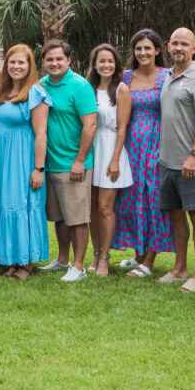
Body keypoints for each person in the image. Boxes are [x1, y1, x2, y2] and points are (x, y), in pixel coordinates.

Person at [158, 27, 195, 293]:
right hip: (167, 162)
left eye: (184, 44)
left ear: (194, 48)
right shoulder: (168, 76)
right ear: (168, 46)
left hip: (190, 164)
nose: (178, 48)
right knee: (176, 217)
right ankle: (180, 268)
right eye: (175, 43)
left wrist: (193, 156)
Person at [115, 29, 174, 278]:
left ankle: (149, 260)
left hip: (157, 144)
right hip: (131, 146)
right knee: (131, 200)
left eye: (147, 48)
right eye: (138, 48)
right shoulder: (126, 77)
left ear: (157, 50)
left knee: (153, 200)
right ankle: (138, 254)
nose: (142, 52)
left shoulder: (167, 76)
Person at [0, 44, 51, 280]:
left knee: (23, 204)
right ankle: (12, 259)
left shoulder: (35, 93)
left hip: (24, 158)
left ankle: (26, 262)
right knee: (6, 203)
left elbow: (41, 134)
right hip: (3, 159)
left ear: (30, 66)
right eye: (12, 62)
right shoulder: (3, 91)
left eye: (21, 62)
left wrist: (38, 169)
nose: (16, 66)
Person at [38, 40, 98, 283]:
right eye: (49, 59)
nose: (54, 63)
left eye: (59, 59)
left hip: (73, 164)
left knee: (77, 218)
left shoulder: (80, 86)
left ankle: (79, 266)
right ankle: (62, 260)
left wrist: (80, 160)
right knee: (60, 217)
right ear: (44, 62)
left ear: (69, 60)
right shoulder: (42, 86)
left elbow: (90, 125)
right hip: (50, 163)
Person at [86, 43, 132, 277]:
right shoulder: (88, 89)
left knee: (105, 207)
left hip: (111, 148)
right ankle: (95, 253)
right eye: (101, 61)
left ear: (116, 64)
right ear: (94, 64)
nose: (106, 65)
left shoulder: (121, 89)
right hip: (91, 149)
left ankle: (104, 257)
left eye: (110, 61)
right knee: (92, 207)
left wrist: (115, 160)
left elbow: (122, 128)